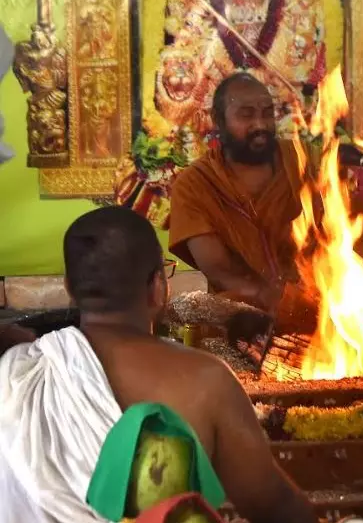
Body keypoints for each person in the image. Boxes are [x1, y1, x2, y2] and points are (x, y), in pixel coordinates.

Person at [0, 206, 317, 522]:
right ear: (157, 287)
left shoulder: (17, 372)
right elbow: (273, 505)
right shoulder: (205, 379)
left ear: (70, 287)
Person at [169, 72, 363, 331]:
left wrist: (341, 284)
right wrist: (282, 301)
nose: (260, 124)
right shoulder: (194, 184)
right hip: (242, 326)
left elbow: (360, 220)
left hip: (322, 319)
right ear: (218, 120)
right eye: (246, 115)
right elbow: (221, 271)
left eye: (267, 113)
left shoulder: (304, 162)